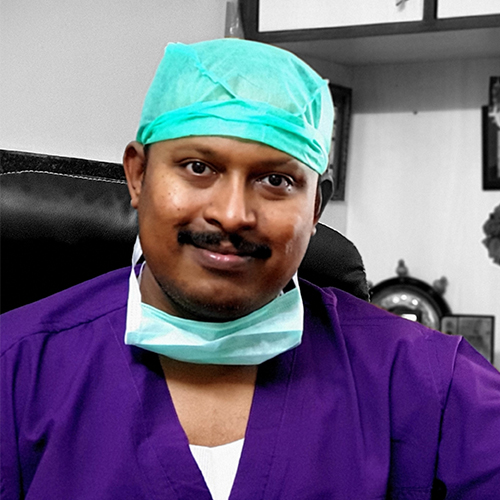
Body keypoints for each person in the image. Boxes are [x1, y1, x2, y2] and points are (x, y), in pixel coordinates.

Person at [1, 38, 499, 500]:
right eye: (198, 167)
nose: (233, 214)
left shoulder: (431, 385)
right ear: (138, 176)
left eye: (276, 180)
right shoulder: (15, 370)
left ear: (315, 208)